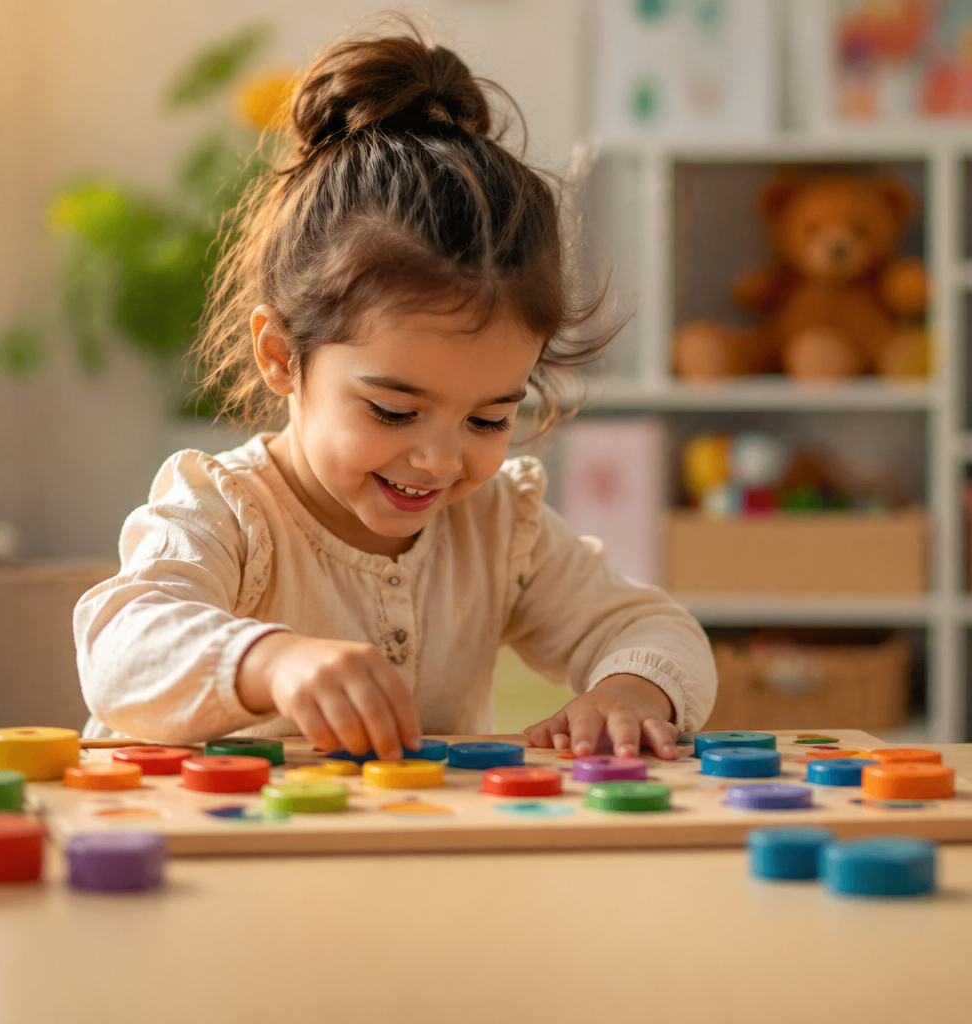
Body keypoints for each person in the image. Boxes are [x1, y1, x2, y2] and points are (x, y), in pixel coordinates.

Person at [74, 25, 716, 762]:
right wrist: (271, 662)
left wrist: (632, 692)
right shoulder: (225, 513)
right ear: (281, 355)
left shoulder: (498, 526)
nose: (439, 460)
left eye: (489, 418)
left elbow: (654, 628)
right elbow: (119, 647)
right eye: (394, 411)